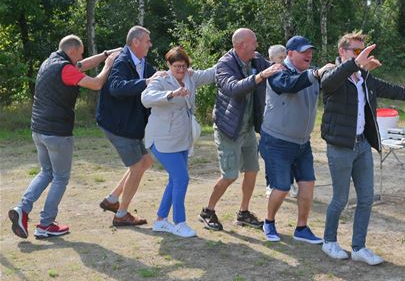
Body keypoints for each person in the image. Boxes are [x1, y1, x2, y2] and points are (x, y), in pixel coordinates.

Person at [320, 31, 405, 265]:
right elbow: (327, 83)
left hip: (362, 145)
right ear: (342, 52)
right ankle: (329, 241)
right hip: (340, 147)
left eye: (362, 51)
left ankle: (359, 247)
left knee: (366, 198)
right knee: (340, 199)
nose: (361, 55)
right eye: (355, 51)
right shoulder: (332, 75)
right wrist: (354, 63)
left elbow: (393, 90)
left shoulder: (364, 79)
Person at [8, 35, 119, 239]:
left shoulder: (51, 62)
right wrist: (109, 65)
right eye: (81, 51)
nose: (83, 55)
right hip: (56, 133)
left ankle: (22, 209)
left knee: (46, 172)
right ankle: (46, 224)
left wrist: (105, 55)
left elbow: (82, 65)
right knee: (60, 177)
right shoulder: (66, 69)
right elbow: (96, 84)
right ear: (73, 51)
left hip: (38, 130)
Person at [199, 28, 284, 231]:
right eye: (253, 42)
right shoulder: (224, 64)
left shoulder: (255, 59)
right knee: (230, 175)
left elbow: (274, 68)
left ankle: (243, 213)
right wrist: (260, 77)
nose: (257, 46)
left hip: (247, 127)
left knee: (252, 170)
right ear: (240, 45)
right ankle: (207, 211)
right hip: (228, 128)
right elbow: (233, 88)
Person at [260, 35, 335, 243]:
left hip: (303, 142)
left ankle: (301, 228)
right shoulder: (277, 72)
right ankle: (269, 222)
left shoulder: (312, 74)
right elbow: (291, 84)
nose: (309, 55)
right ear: (290, 54)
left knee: (308, 184)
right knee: (282, 187)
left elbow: (331, 83)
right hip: (277, 141)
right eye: (304, 52)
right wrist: (315, 74)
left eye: (310, 51)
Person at [141, 46, 215, 238]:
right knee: (182, 179)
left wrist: (233, 54)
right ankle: (179, 223)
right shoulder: (161, 79)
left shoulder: (191, 77)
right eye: (176, 66)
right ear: (169, 65)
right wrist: (171, 94)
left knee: (175, 179)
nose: (181, 70)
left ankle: (160, 221)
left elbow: (211, 73)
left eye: (183, 66)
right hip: (161, 140)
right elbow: (145, 98)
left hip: (182, 139)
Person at [96, 26, 166, 226]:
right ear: (136, 42)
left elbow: (155, 80)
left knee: (145, 162)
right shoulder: (121, 62)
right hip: (117, 124)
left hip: (130, 124)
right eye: (147, 41)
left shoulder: (143, 63)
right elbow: (116, 87)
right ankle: (121, 214)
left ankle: (112, 200)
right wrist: (146, 82)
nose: (150, 45)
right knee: (137, 166)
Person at [264, 44, 299, 199]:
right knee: (271, 159)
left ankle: (289, 183)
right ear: (271, 60)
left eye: (285, 56)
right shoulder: (271, 73)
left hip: (290, 123)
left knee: (289, 158)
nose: (283, 60)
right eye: (280, 57)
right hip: (273, 123)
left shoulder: (291, 71)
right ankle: (270, 184)